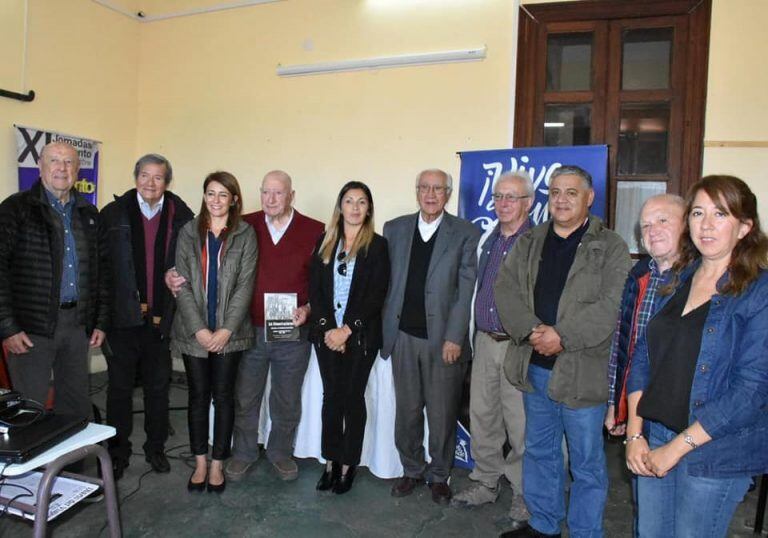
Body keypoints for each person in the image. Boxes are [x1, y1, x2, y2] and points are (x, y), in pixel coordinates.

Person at [625, 175, 768, 537]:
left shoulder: (758, 290)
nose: (705, 225)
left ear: (744, 227)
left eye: (720, 214)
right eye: (698, 213)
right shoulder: (678, 276)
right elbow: (645, 353)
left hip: (714, 450)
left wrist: (677, 448)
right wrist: (635, 434)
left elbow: (751, 391)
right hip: (655, 435)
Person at [495, 165, 630, 538]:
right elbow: (505, 290)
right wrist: (535, 332)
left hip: (582, 371)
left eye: (571, 192)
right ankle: (544, 525)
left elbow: (610, 305)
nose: (562, 199)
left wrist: (562, 336)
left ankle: (586, 531)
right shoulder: (530, 241)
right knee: (540, 452)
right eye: (555, 192)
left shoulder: (612, 247)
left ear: (589, 198)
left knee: (586, 462)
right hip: (535, 367)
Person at [381, 169, 480, 505]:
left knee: (441, 415)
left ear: (448, 194)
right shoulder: (394, 229)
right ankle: (411, 469)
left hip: (443, 342)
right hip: (403, 338)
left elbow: (465, 290)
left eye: (438, 188)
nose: (431, 194)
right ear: (417, 191)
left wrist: (455, 336)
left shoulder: (465, 233)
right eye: (425, 187)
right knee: (407, 412)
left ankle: (440, 475)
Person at [0, 142, 109, 422]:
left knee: (75, 405)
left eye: (69, 162)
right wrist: (8, 327)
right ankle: (32, 468)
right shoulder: (15, 209)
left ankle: (72, 467)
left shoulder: (89, 214)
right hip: (30, 329)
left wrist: (99, 321)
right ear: (40, 166)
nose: (62, 168)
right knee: (28, 408)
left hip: (77, 325)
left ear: (78, 170)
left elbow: (101, 272)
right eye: (54, 161)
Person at [100, 154, 194, 480]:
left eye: (157, 177)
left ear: (167, 182)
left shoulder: (183, 217)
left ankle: (156, 449)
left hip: (161, 321)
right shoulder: (113, 214)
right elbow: (102, 271)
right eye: (144, 175)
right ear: (135, 176)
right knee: (119, 390)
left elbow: (193, 265)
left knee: (158, 389)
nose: (149, 183)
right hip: (122, 321)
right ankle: (117, 452)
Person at [227, 170, 324, 481]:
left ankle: (280, 452)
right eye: (265, 192)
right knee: (246, 396)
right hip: (248, 329)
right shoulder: (243, 225)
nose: (270, 199)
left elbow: (323, 284)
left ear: (291, 195)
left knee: (286, 397)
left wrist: (308, 308)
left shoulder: (315, 230)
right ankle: (243, 452)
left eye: (278, 193)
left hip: (292, 332)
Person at [452, 171, 533, 525]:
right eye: (499, 196)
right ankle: (485, 481)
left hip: (518, 346)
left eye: (511, 197)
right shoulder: (489, 239)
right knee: (483, 417)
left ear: (528, 203)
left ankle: (524, 492)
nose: (503, 203)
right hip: (484, 341)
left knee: (521, 424)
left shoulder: (535, 243)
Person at [171, 171, 257, 493]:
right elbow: (182, 285)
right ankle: (200, 463)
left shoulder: (245, 234)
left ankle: (218, 463)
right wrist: (199, 330)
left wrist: (224, 330)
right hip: (194, 333)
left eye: (223, 194)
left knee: (223, 398)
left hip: (229, 335)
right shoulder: (188, 232)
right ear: (204, 196)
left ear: (234, 199)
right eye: (211, 193)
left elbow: (244, 286)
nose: (216, 200)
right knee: (196, 398)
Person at [308, 181, 390, 494]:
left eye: (361, 202)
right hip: (327, 336)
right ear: (339, 206)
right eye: (349, 201)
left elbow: (375, 295)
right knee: (332, 399)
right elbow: (315, 289)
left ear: (368, 208)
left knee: (352, 400)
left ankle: (348, 464)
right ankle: (330, 461)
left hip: (360, 338)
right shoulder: (324, 241)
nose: (355, 208)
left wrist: (347, 329)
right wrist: (330, 328)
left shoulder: (377, 245)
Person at [605, 193, 686, 437]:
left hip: (681, 417)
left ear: (688, 226)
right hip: (638, 408)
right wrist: (616, 407)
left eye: (663, 221)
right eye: (646, 225)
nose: (653, 230)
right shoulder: (637, 277)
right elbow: (621, 348)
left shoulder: (702, 280)